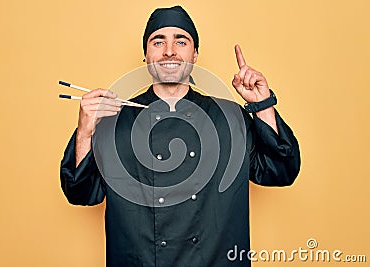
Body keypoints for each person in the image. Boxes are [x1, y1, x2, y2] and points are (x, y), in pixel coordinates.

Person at [60, 5, 300, 267]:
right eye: (158, 41)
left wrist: (262, 104)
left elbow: (281, 171)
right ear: (146, 54)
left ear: (195, 54)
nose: (169, 51)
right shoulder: (112, 121)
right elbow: (80, 193)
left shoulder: (231, 117)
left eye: (181, 41)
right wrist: (84, 131)